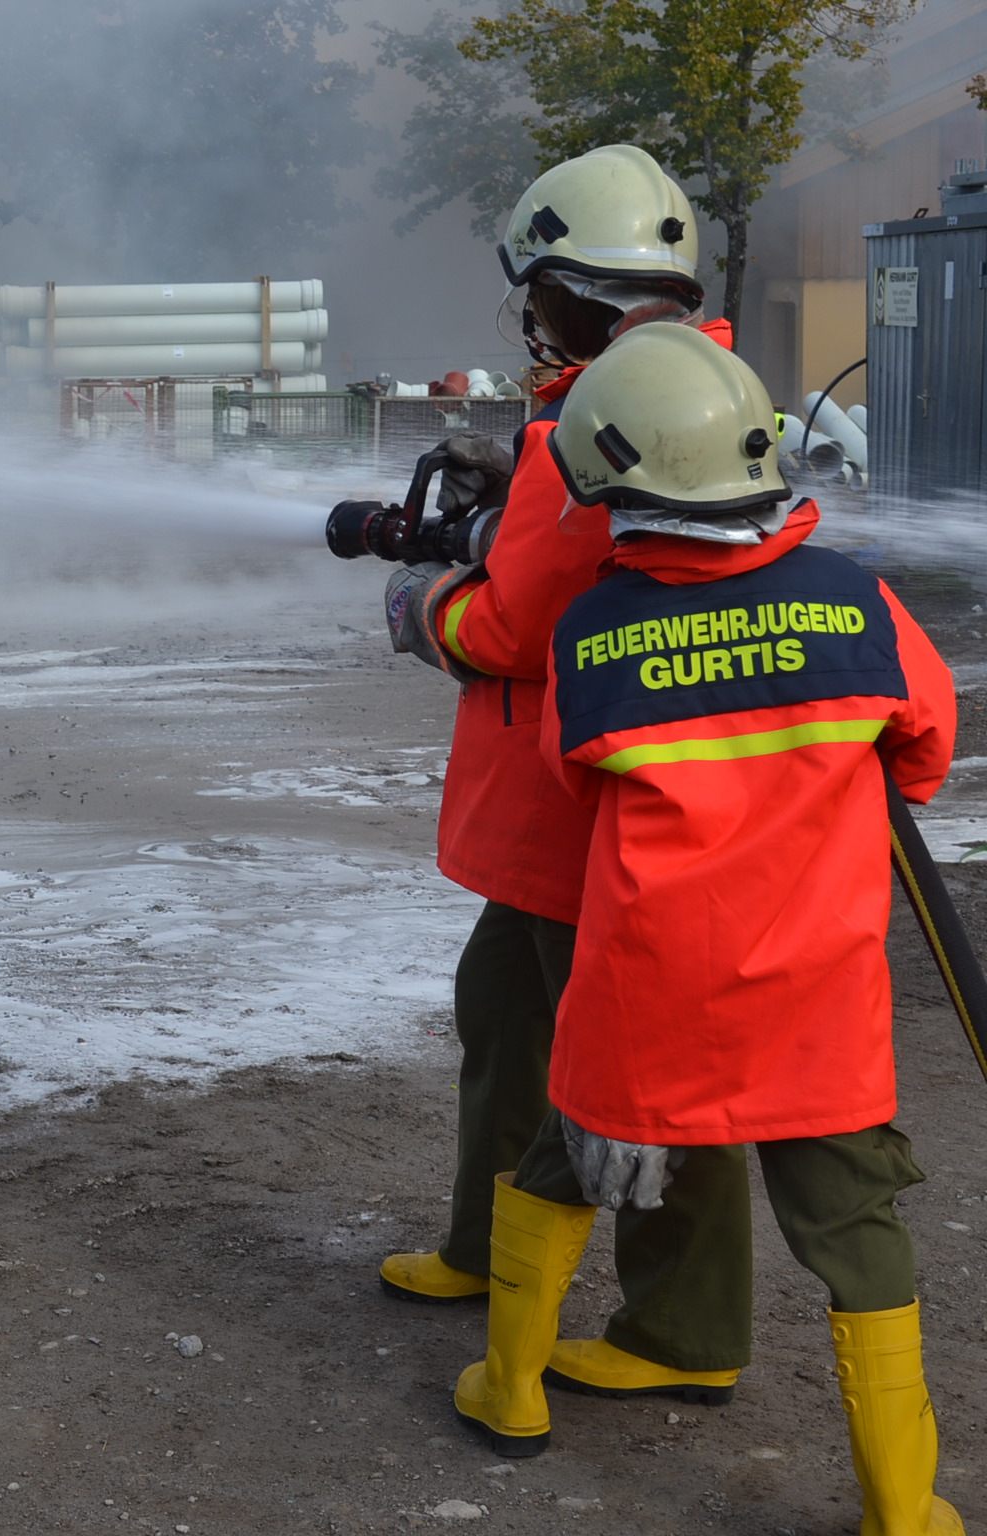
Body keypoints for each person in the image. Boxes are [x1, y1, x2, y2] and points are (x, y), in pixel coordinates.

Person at [450, 322, 962, 1534]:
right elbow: (925, 755)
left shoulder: (590, 640)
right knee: (854, 1233)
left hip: (643, 1003)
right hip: (818, 1010)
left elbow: (575, 783)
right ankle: (902, 1504)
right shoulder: (860, 607)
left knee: (561, 1169)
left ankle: (509, 1390)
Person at [379, 143, 754, 1402]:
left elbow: (512, 630)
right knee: (504, 1009)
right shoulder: (690, 388)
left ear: (569, 291)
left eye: (533, 294)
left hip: (576, 812)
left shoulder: (588, 416)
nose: (528, 320)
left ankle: (679, 1333)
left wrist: (422, 596)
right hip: (610, 805)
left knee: (636, 1067)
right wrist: (510, 490)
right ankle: (488, 1251)